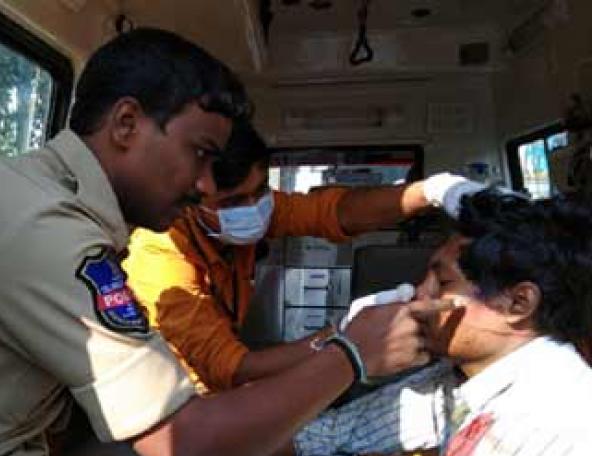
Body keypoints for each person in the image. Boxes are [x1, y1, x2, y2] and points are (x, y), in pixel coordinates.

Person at [0, 28, 447, 456]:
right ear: (125, 125)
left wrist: (427, 193)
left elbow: (324, 211)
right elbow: (187, 454)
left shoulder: (58, 205)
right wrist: (351, 353)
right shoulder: (44, 229)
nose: (202, 186)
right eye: (198, 155)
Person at [181, 190, 592, 456]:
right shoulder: (472, 372)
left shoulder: (544, 418)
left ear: (518, 304)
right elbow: (333, 431)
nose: (418, 295)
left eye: (442, 283)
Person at [123, 121, 483, 391]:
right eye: (232, 201)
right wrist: (344, 335)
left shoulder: (255, 211)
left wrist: (429, 192)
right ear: (193, 197)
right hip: (177, 396)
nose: (254, 209)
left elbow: (334, 212)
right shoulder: (159, 255)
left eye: (260, 190)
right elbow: (232, 367)